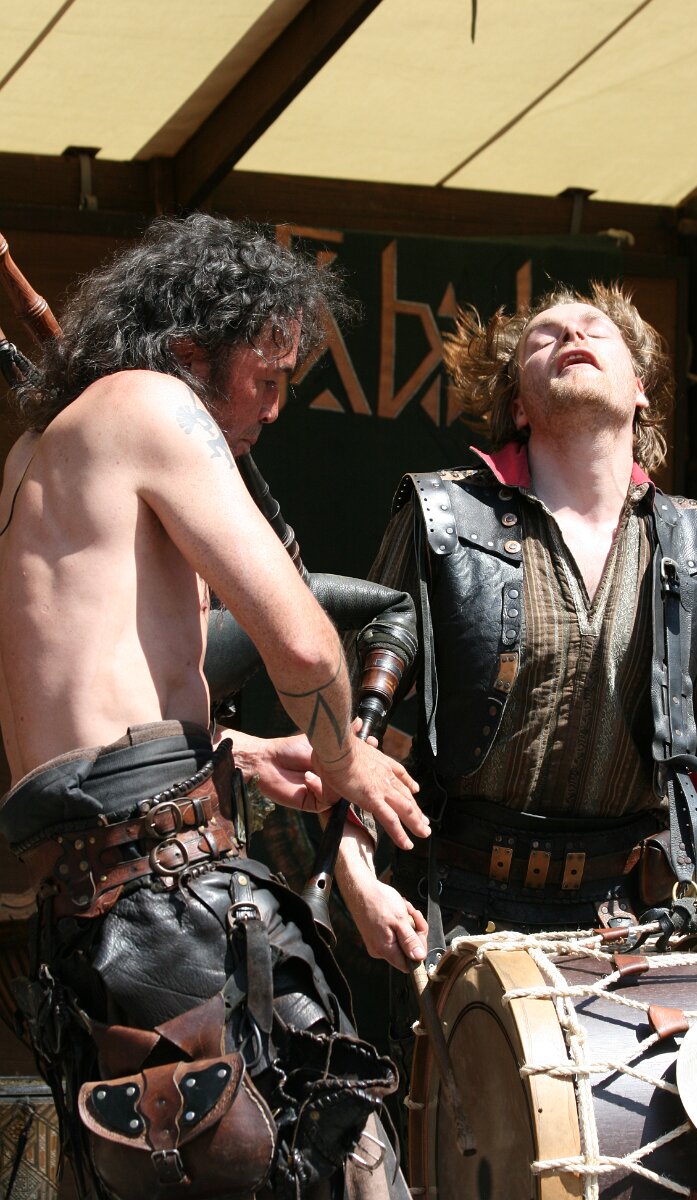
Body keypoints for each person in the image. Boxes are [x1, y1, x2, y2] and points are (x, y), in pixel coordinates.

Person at [0, 213, 429, 1200]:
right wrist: (345, 759)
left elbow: (78, 721)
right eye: (266, 379)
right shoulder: (153, 401)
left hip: (95, 911)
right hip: (173, 902)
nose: (272, 411)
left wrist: (238, 752)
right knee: (347, 1172)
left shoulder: (40, 450)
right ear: (192, 352)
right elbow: (303, 643)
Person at [331, 280, 697, 1092]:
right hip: (459, 915)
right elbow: (358, 735)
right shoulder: (444, 516)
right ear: (517, 402)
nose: (573, 335)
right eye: (545, 336)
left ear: (640, 387)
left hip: (631, 922)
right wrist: (355, 874)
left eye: (596, 330)